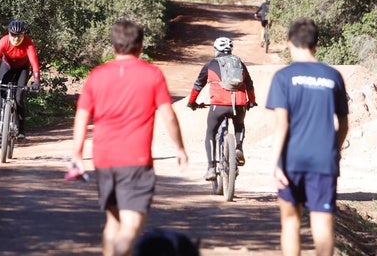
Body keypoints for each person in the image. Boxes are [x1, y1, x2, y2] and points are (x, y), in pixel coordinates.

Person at [71, 20, 188, 256]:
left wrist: (77, 154)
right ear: (140, 46)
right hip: (135, 159)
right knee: (131, 226)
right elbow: (168, 115)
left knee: (113, 223)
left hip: (104, 160)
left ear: (113, 46)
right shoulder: (152, 74)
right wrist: (180, 147)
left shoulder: (97, 75)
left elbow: (82, 116)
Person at [265, 18, 349, 256]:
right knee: (322, 225)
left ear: (289, 43)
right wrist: (335, 150)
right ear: (316, 45)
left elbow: (282, 123)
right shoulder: (333, 76)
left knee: (290, 222)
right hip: (323, 160)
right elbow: (343, 124)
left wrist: (274, 163)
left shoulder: (283, 77)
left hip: (291, 160)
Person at [186, 37, 257, 181]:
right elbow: (249, 85)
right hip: (239, 104)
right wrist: (251, 101)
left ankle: (211, 168)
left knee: (211, 133)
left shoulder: (210, 64)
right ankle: (238, 147)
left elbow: (198, 85)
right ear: (230, 50)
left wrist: (192, 102)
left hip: (218, 105)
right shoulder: (240, 64)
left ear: (216, 50)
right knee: (239, 125)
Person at [0, 19, 41, 139]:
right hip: (7, 66)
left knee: (19, 97)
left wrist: (37, 80)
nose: (16, 38)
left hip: (22, 68)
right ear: (9, 33)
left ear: (23, 34)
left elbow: (34, 62)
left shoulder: (28, 43)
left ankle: (22, 130)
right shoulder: (4, 41)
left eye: (19, 35)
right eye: (13, 35)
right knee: (1, 93)